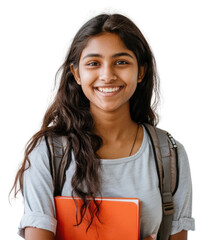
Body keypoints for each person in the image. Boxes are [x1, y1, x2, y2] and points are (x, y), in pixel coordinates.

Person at [11, 13, 195, 240]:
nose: (107, 75)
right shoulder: (48, 153)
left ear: (141, 71)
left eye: (121, 62)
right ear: (76, 73)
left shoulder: (170, 155)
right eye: (93, 63)